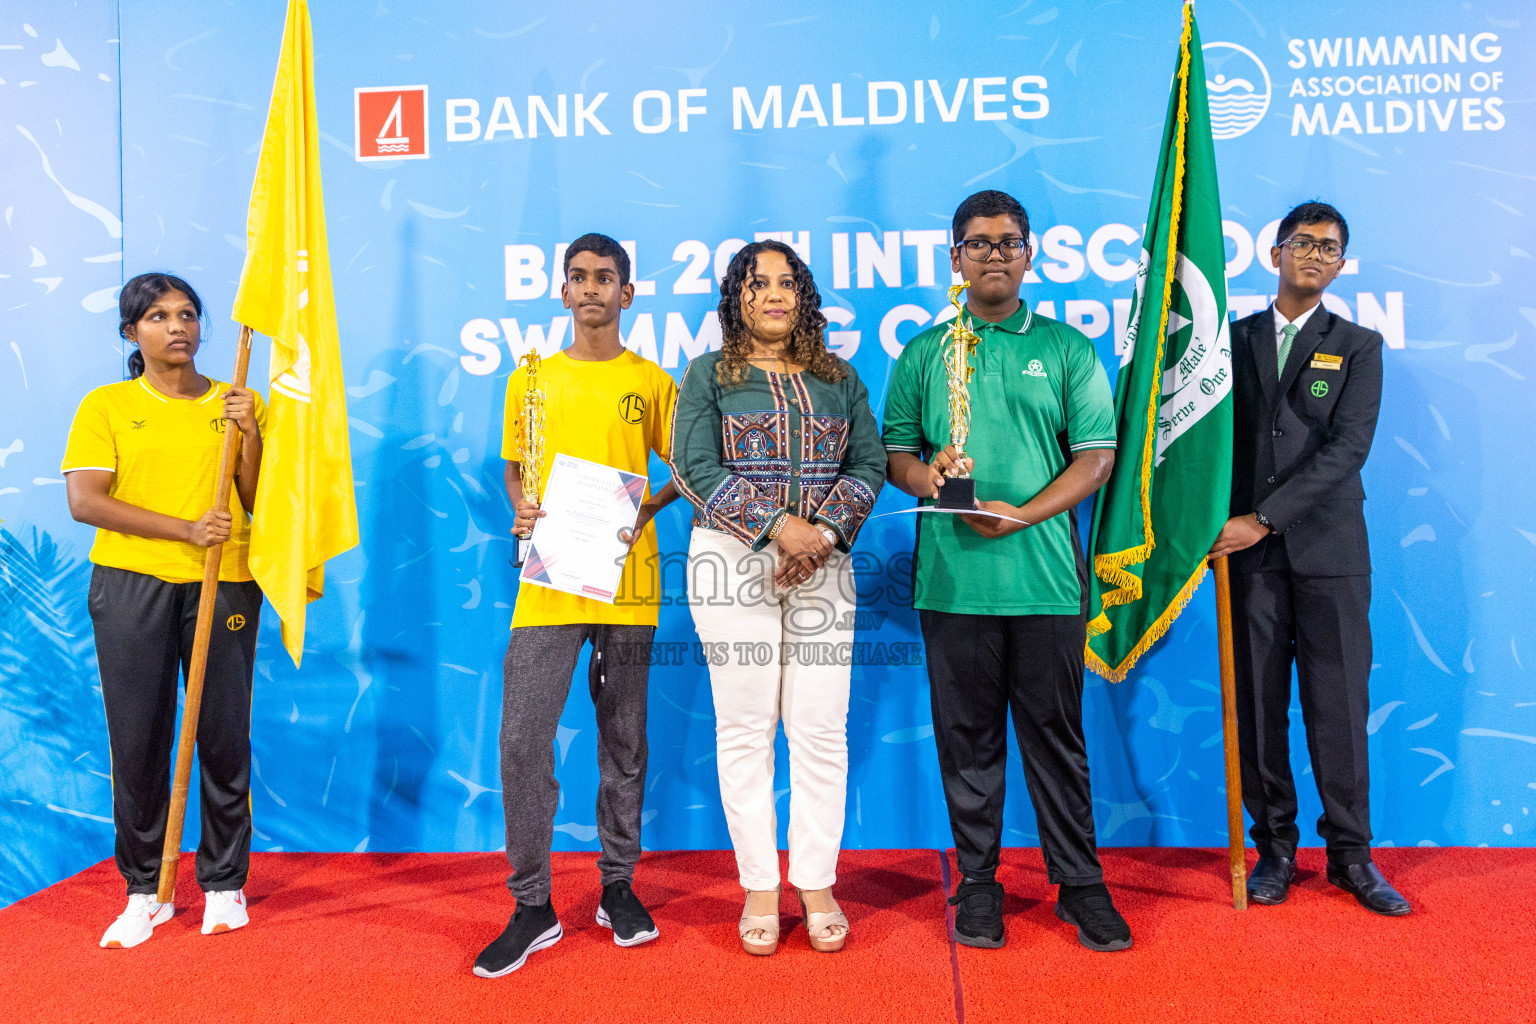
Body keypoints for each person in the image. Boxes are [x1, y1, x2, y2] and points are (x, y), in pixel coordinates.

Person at [883, 190, 1131, 952]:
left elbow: (1096, 458)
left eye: (1008, 241)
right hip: (953, 584)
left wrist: (1020, 514)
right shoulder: (926, 354)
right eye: (979, 242)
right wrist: (938, 480)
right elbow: (897, 457)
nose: (995, 253)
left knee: (1056, 737)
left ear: (1030, 254)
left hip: (1047, 580)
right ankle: (981, 883)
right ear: (954, 257)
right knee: (967, 740)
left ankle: (1080, 884)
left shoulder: (1065, 348)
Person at [475, 233, 683, 978]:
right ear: (561, 292)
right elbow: (515, 472)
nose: (591, 287)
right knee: (523, 741)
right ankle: (532, 904)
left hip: (628, 583)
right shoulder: (529, 380)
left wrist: (647, 508)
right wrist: (523, 509)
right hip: (550, 583)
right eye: (578, 277)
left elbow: (688, 469)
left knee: (624, 741)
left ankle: (618, 887)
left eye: (606, 277)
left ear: (628, 294)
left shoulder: (653, 381)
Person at [669, 240, 885, 955]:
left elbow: (870, 460)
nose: (773, 294)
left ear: (804, 296)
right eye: (757, 283)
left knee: (821, 727)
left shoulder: (838, 377)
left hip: (824, 562)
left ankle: (817, 881)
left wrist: (819, 535)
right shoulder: (709, 375)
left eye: (786, 283)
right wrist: (775, 530)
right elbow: (692, 465)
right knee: (747, 727)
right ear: (736, 296)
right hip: (731, 565)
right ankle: (761, 883)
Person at [1209, 201, 1407, 915]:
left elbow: (1347, 451)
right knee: (1260, 708)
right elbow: (1207, 447)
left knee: (1338, 709)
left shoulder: (1359, 345)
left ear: (1341, 264)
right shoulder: (1228, 344)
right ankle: (1276, 850)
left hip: (1328, 554)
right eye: (1304, 243)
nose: (1316, 256)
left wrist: (1262, 519)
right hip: (1249, 560)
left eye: (1330, 248)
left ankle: (1351, 855)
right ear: (1275, 254)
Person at [62, 273, 266, 948]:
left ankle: (225, 883)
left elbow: (259, 499)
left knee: (223, 732)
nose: (176, 326)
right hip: (131, 585)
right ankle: (145, 888)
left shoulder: (238, 401)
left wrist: (252, 436)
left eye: (187, 314)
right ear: (132, 333)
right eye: (157, 316)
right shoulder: (109, 406)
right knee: (140, 739)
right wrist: (183, 530)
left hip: (225, 582)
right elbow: (86, 500)